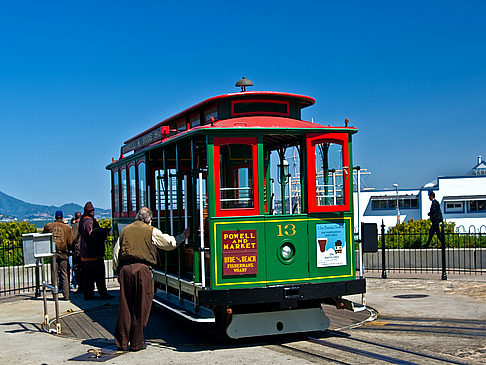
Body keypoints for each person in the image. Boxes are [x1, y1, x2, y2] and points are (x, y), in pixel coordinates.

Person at [113, 207, 190, 352]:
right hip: (142, 270)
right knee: (142, 306)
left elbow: (116, 252)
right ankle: (136, 343)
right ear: (149, 219)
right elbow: (169, 243)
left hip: (124, 270)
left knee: (125, 307)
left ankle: (121, 342)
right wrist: (183, 236)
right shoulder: (151, 230)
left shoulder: (125, 230)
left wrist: (117, 271)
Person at [79, 202, 114, 300]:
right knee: (99, 276)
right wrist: (105, 233)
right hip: (93, 254)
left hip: (86, 254)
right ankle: (102, 293)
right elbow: (93, 233)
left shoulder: (82, 221)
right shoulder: (89, 222)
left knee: (88, 277)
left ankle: (89, 294)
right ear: (89, 212)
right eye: (92, 211)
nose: (94, 212)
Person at [43, 211, 74, 301]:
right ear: (62, 217)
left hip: (53, 253)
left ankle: (55, 294)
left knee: (54, 274)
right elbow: (71, 242)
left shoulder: (49, 226)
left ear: (55, 216)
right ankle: (66, 295)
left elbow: (44, 237)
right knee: (65, 274)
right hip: (64, 253)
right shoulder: (67, 228)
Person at [71, 211, 83, 293]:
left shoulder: (75, 226)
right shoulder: (84, 224)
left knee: (77, 268)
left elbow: (73, 238)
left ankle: (81, 286)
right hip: (85, 250)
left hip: (77, 250)